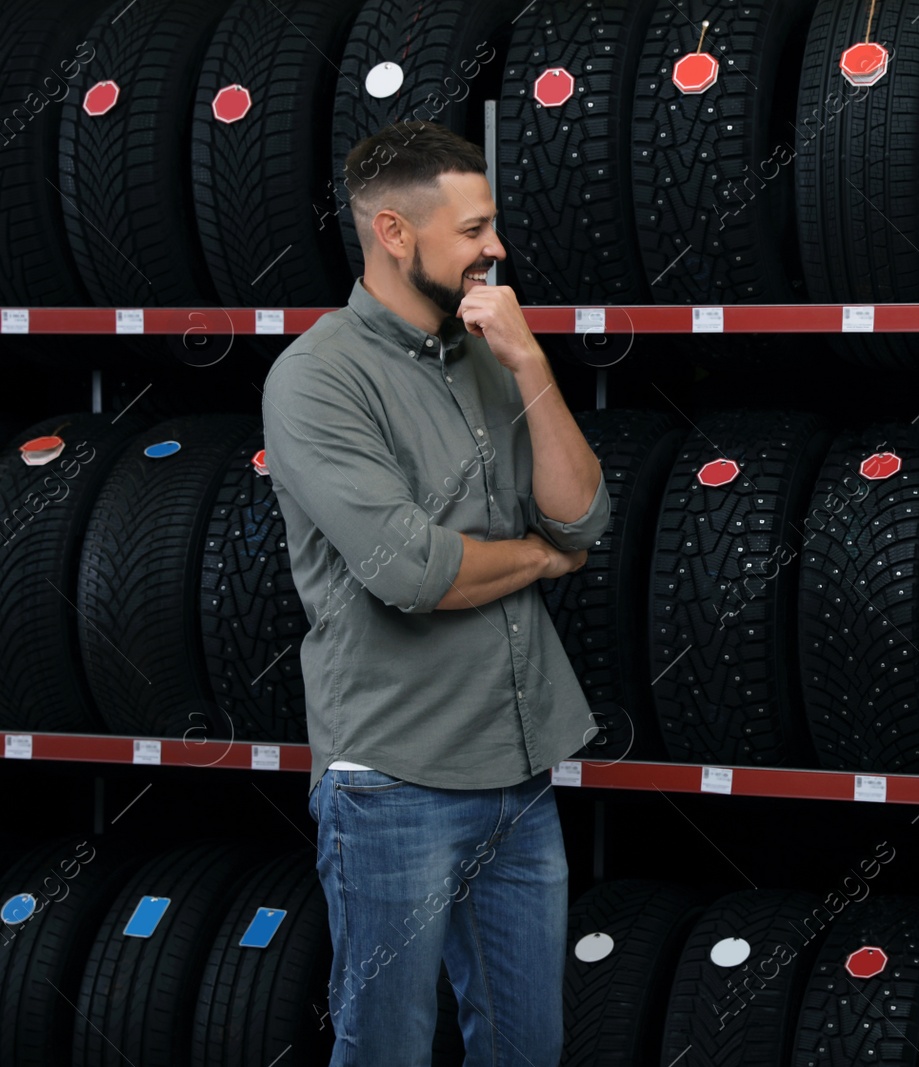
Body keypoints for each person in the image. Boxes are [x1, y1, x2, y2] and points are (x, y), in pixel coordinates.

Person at [262, 119, 610, 1065]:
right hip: (393, 782)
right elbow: (411, 572)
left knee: (526, 1049)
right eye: (474, 229)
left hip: (519, 769)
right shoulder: (316, 378)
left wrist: (533, 365)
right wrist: (536, 561)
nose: (496, 248)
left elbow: (584, 521)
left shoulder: (494, 352)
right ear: (394, 234)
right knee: (387, 1050)